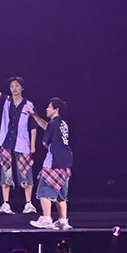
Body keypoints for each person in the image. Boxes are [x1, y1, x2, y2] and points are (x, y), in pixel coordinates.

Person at [0, 61, 38, 215]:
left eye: (17, 86)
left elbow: (33, 125)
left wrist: (33, 145)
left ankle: (28, 203)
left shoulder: (28, 105)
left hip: (23, 143)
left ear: (22, 88)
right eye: (12, 86)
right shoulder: (6, 101)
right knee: (6, 172)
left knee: (25, 172)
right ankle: (5, 204)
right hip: (6, 142)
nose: (14, 88)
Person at [29, 98, 73, 230]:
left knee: (44, 192)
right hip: (66, 162)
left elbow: (45, 142)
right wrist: (33, 114)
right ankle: (63, 221)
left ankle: (46, 219)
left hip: (54, 162)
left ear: (56, 110)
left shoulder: (53, 124)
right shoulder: (64, 124)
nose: (46, 109)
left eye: (49, 107)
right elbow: (46, 125)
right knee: (61, 196)